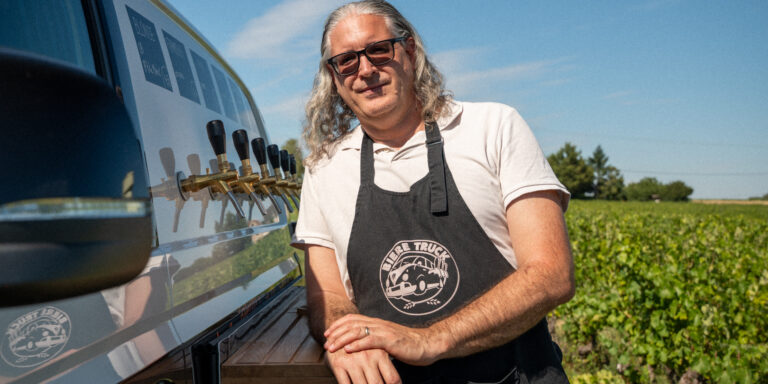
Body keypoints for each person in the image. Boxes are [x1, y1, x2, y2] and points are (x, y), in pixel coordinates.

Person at [292, 1, 575, 383]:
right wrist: (347, 339)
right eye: (346, 61)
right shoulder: (323, 168)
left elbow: (550, 273)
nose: (365, 70)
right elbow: (327, 295)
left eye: (378, 50)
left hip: (516, 372)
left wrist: (431, 340)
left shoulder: (493, 127)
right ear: (334, 76)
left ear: (409, 52)